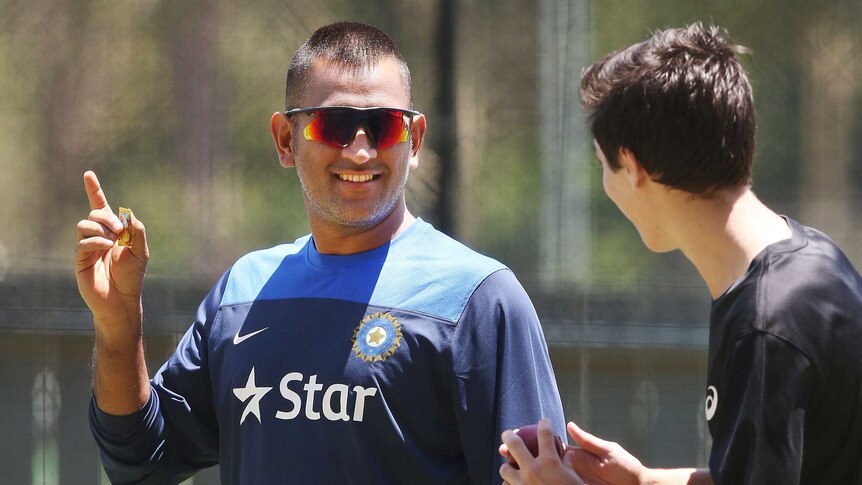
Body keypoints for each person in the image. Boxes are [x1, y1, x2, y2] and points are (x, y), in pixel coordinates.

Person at [75, 21, 565, 484]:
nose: (360, 151)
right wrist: (118, 323)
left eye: (384, 126)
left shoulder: (477, 299)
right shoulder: (244, 291)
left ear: (413, 141)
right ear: (286, 140)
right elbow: (140, 462)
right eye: (333, 126)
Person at [499, 23, 862, 485]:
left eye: (601, 164)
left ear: (632, 167)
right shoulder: (806, 261)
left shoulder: (768, 324)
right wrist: (646, 481)